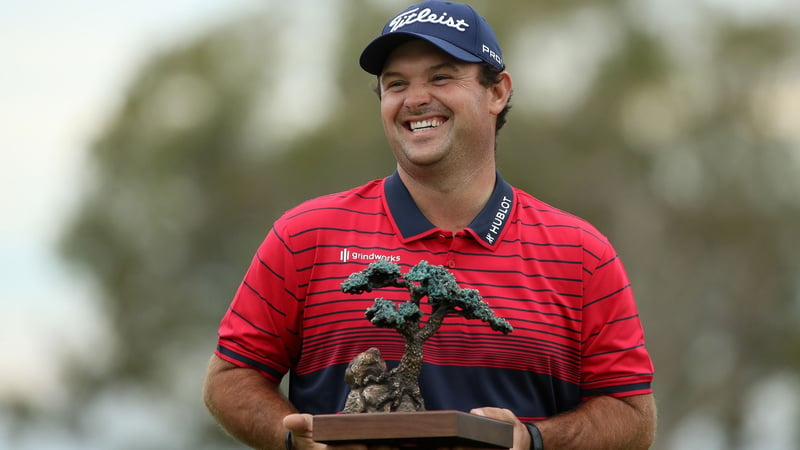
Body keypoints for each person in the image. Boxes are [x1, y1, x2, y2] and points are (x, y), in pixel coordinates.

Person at [203, 1, 656, 449]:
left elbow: (632, 414)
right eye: (395, 83)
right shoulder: (306, 235)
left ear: (497, 92)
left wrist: (533, 440)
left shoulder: (580, 254)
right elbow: (229, 378)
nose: (416, 99)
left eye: (441, 77)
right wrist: (293, 438)